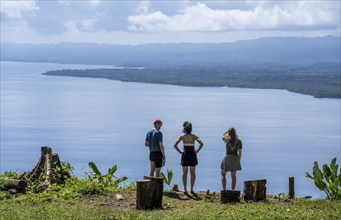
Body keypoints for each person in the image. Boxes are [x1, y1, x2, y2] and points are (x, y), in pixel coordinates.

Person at [174, 121, 203, 195]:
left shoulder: (182, 136)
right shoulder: (194, 136)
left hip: (185, 154)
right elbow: (201, 143)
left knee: (184, 173)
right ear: (191, 128)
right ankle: (192, 189)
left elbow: (175, 145)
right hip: (192, 154)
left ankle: (184, 189)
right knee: (193, 173)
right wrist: (197, 151)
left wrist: (180, 152)